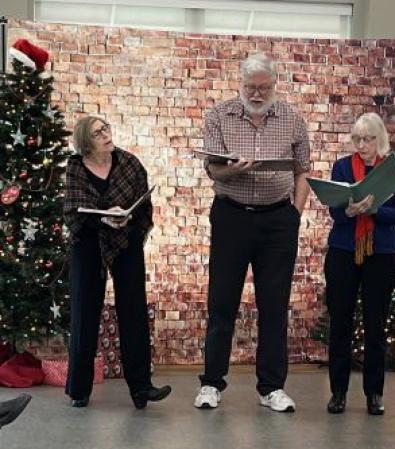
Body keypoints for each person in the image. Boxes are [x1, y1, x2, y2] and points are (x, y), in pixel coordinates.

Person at [194, 53, 311, 412]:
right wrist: (234, 170)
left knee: (274, 306)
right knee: (222, 304)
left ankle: (271, 387)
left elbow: (303, 170)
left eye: (264, 88)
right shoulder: (219, 115)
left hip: (278, 220)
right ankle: (212, 384)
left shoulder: (292, 118)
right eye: (251, 87)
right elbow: (213, 171)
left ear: (275, 85)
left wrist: (295, 214)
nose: (257, 94)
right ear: (240, 85)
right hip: (232, 216)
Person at [63, 116, 171, 409]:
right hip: (88, 242)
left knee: (134, 311)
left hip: (125, 240)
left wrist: (127, 219)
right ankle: (79, 389)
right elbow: (73, 210)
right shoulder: (75, 168)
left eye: (106, 129)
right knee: (85, 312)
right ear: (86, 141)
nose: (106, 135)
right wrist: (103, 217)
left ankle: (141, 388)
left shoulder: (129, 164)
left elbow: (144, 205)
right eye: (98, 133)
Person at [324, 112, 395, 416]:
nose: (362, 145)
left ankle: (374, 393)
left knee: (375, 325)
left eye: (368, 139)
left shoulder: (391, 170)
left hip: (381, 253)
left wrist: (372, 210)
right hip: (343, 250)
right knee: (341, 323)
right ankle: (338, 392)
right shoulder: (343, 166)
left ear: (380, 139)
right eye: (357, 139)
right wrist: (348, 210)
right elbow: (334, 211)